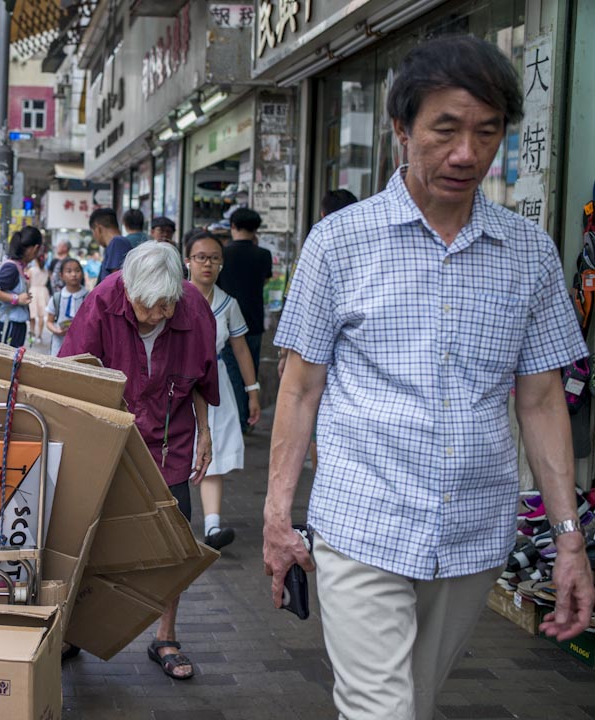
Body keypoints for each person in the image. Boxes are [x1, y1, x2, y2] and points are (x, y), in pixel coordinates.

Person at [264, 35, 593, 720]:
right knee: (380, 709)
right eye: (445, 130)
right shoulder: (339, 242)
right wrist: (275, 517)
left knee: (412, 701)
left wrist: (569, 541)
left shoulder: (528, 252)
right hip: (362, 520)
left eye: (487, 132)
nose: (466, 154)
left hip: (476, 530)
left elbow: (540, 402)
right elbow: (298, 389)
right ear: (401, 130)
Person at [60, 242, 219, 680]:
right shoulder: (103, 303)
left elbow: (203, 380)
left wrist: (205, 433)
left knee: (173, 541)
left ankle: (165, 636)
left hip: (170, 441)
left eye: (168, 304)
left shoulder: (193, 311)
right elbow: (71, 376)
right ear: (129, 292)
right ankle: (74, 632)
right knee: (86, 538)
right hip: (111, 439)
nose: (160, 315)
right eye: (150, 306)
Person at [184, 229, 260, 550]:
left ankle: (212, 527)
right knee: (177, 453)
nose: (208, 264)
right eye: (201, 257)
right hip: (181, 385)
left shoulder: (229, 304)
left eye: (215, 259)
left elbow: (240, 349)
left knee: (213, 456)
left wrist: (253, 391)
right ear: (187, 261)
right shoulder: (175, 297)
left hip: (218, 384)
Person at [277, 188, 360, 473]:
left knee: (314, 415)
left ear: (323, 213)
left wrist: (285, 354)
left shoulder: (317, 244)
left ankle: (321, 472)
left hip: (316, 354)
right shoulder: (369, 247)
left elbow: (299, 304)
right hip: (352, 362)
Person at [216, 207, 272, 433]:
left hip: (228, 321)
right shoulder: (263, 255)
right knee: (251, 370)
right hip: (254, 321)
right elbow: (266, 281)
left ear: (233, 227)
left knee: (232, 373)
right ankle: (248, 418)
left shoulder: (223, 254)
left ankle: (238, 421)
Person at [0, 226, 42, 347]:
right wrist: (16, 299)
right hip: (7, 326)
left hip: (13, 326)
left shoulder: (18, 267)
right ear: (35, 248)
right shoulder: (12, 268)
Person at [45, 257, 88, 356]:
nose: (74, 274)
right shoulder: (57, 297)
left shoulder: (88, 297)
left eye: (77, 270)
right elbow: (49, 321)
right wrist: (56, 330)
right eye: (69, 271)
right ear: (61, 275)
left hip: (81, 344)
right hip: (59, 343)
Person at [90, 208, 131, 283]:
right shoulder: (115, 244)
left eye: (93, 232)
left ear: (98, 229)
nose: (94, 237)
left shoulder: (118, 243)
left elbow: (116, 282)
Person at [27, 253, 51, 345]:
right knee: (41, 315)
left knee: (32, 314)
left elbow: (28, 282)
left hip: (33, 291)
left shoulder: (31, 270)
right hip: (43, 291)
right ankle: (39, 335)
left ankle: (32, 334)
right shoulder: (46, 271)